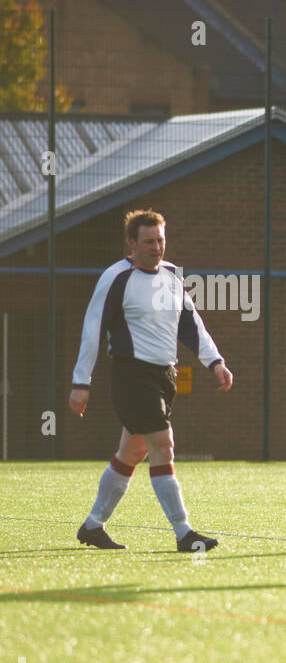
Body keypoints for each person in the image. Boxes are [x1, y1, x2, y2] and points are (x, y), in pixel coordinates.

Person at [70, 209, 232, 552]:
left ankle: (93, 525)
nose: (156, 247)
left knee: (131, 452)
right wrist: (80, 382)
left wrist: (215, 362)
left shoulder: (173, 275)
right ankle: (184, 533)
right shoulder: (117, 277)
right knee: (163, 443)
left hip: (164, 377)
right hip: (131, 376)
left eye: (160, 240)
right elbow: (92, 329)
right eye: (148, 241)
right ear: (132, 244)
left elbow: (192, 324)